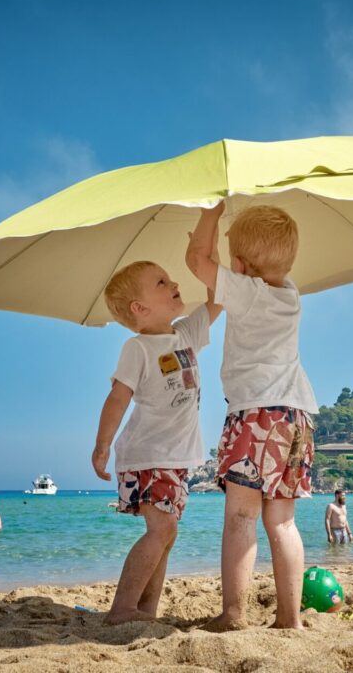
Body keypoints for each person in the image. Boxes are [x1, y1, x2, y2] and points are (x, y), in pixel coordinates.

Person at [186, 202, 318, 631]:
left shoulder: (247, 291)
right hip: (297, 417)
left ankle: (233, 614)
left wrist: (210, 215)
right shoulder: (290, 294)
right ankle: (289, 619)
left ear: (240, 266)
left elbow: (197, 262)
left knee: (241, 516)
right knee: (282, 522)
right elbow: (217, 272)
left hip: (257, 415)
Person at [91, 259, 221, 625]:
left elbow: (218, 299)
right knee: (161, 529)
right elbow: (117, 398)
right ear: (140, 308)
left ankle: (144, 611)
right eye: (162, 282)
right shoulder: (138, 348)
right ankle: (122, 609)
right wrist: (102, 445)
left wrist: (209, 255)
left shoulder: (186, 334)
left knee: (167, 533)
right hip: (148, 453)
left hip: (176, 457)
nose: (174, 283)